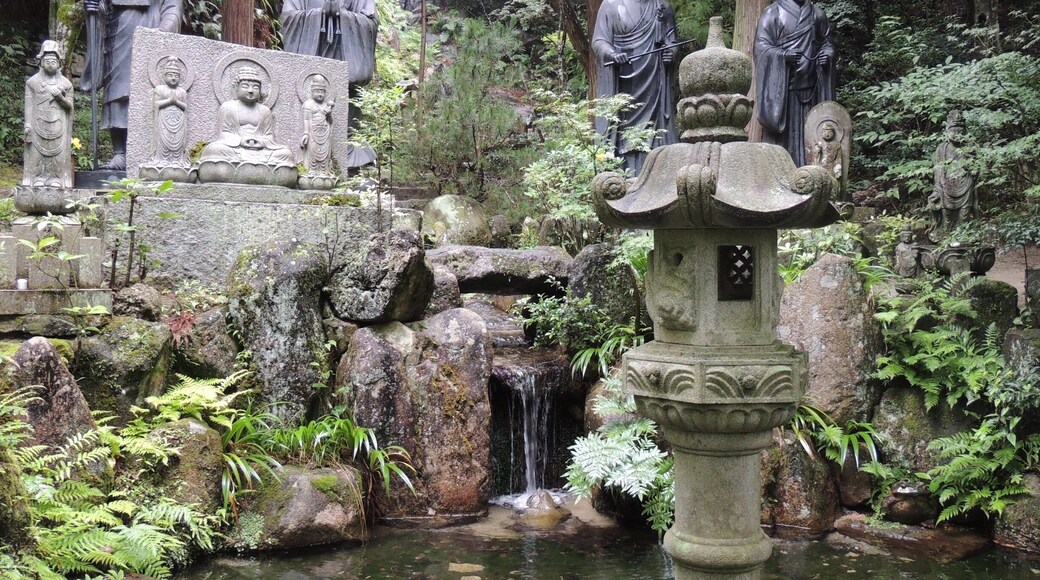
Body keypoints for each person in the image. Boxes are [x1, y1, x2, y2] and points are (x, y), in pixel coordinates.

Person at [81, 0, 183, 170]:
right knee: (116, 90)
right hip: (117, 29)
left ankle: (146, 152)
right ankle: (120, 152)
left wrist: (164, 30)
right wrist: (95, 8)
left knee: (146, 94)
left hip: (149, 29)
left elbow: (173, 6)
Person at [281, 0, 377, 168]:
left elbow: (370, 23)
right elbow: (288, 18)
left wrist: (343, 17)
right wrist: (320, 15)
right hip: (312, 56)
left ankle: (349, 157)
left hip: (346, 59)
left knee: (347, 112)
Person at [591, 0, 678, 175]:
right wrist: (612, 54)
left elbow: (671, 39)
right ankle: (623, 173)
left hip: (654, 81)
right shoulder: (610, 4)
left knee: (655, 133)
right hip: (623, 82)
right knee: (622, 131)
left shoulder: (660, 5)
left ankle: (658, 174)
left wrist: (671, 52)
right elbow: (599, 41)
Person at [754, 0, 835, 167]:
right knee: (781, 145)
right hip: (783, 94)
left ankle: (810, 172)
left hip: (811, 92)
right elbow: (761, 48)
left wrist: (826, 55)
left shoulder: (816, 14)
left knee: (810, 139)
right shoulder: (772, 13)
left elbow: (827, 44)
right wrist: (783, 56)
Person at [198, 66, 295, 168]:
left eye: (255, 87)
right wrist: (241, 141)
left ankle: (244, 166)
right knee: (215, 150)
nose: (251, 90)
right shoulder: (228, 107)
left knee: (285, 153)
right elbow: (223, 134)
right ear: (236, 88)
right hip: (235, 149)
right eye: (245, 86)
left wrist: (261, 142)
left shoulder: (265, 110)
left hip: (261, 151)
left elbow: (269, 136)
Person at [23, 40, 74, 189]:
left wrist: (60, 98)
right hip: (37, 122)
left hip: (59, 124)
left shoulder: (66, 84)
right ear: (41, 63)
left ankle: (56, 178)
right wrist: (27, 125)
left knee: (57, 154)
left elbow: (70, 107)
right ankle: (37, 178)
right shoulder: (32, 83)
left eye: (53, 61)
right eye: (47, 61)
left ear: (59, 64)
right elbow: (29, 105)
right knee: (36, 153)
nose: (50, 64)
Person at [928, 110, 977, 240]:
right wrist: (937, 189)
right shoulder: (941, 148)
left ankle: (963, 237)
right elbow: (938, 171)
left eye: (961, 130)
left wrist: (970, 161)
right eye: (954, 130)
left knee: (964, 214)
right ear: (947, 130)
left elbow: (976, 169)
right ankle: (946, 236)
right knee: (947, 213)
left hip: (965, 184)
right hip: (946, 185)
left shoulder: (969, 148)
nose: (958, 134)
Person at [149, 57, 189, 168]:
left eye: (176, 76)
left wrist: (176, 102)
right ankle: (163, 160)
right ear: (164, 76)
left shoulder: (182, 92)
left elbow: (185, 107)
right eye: (170, 75)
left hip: (179, 120)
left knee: (178, 140)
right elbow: (156, 104)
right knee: (164, 140)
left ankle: (177, 160)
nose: (173, 78)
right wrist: (169, 101)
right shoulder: (160, 89)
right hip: (164, 120)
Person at [300, 75, 335, 176]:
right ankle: (312, 170)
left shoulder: (326, 105)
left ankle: (324, 170)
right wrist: (306, 133)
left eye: (322, 92)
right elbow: (306, 119)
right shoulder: (308, 104)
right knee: (312, 150)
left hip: (325, 132)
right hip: (313, 132)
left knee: (325, 152)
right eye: (317, 91)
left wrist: (329, 115)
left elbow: (330, 122)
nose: (320, 94)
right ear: (312, 92)